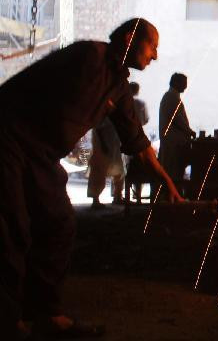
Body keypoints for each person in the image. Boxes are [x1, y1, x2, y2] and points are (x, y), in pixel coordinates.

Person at [0, 18, 184, 339]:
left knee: (59, 222)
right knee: (12, 225)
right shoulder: (88, 57)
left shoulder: (117, 85)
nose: (154, 56)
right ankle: (6, 321)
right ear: (130, 38)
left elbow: (139, 145)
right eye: (152, 46)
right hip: (9, 136)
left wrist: (167, 184)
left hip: (40, 153)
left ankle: (45, 314)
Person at [158, 72, 195, 196]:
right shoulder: (171, 97)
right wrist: (190, 132)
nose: (185, 86)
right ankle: (172, 199)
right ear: (177, 83)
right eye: (184, 83)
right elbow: (178, 120)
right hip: (173, 143)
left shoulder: (172, 97)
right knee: (173, 173)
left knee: (174, 172)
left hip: (174, 142)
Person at [86, 118, 124, 208]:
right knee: (99, 173)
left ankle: (117, 196)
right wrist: (103, 144)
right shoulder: (103, 113)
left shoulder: (113, 113)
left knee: (119, 172)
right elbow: (98, 129)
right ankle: (95, 200)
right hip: (102, 147)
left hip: (114, 145)